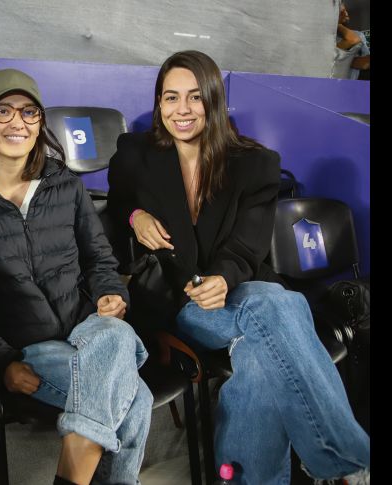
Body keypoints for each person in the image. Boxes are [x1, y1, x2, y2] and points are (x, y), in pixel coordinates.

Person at [108, 50, 370, 485]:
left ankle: (248, 478)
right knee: (280, 304)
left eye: (194, 97)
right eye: (170, 98)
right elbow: (116, 201)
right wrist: (136, 216)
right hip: (180, 303)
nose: (182, 110)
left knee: (259, 345)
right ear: (159, 104)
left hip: (238, 292)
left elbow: (248, 246)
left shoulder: (255, 164)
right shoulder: (136, 153)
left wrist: (225, 278)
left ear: (213, 101)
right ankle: (348, 462)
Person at [0, 69, 153, 485]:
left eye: (28, 112)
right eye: (2, 110)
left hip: (87, 329)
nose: (16, 122)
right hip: (27, 348)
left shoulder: (64, 184)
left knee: (114, 333)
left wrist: (110, 292)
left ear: (40, 122)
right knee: (137, 399)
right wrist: (1, 361)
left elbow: (99, 258)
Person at [332, 2, 370, 80]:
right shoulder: (328, 39)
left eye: (345, 10)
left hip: (356, 81)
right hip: (336, 82)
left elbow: (365, 63)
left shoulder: (358, 34)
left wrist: (345, 61)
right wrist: (334, 22)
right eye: (341, 11)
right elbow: (353, 40)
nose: (345, 13)